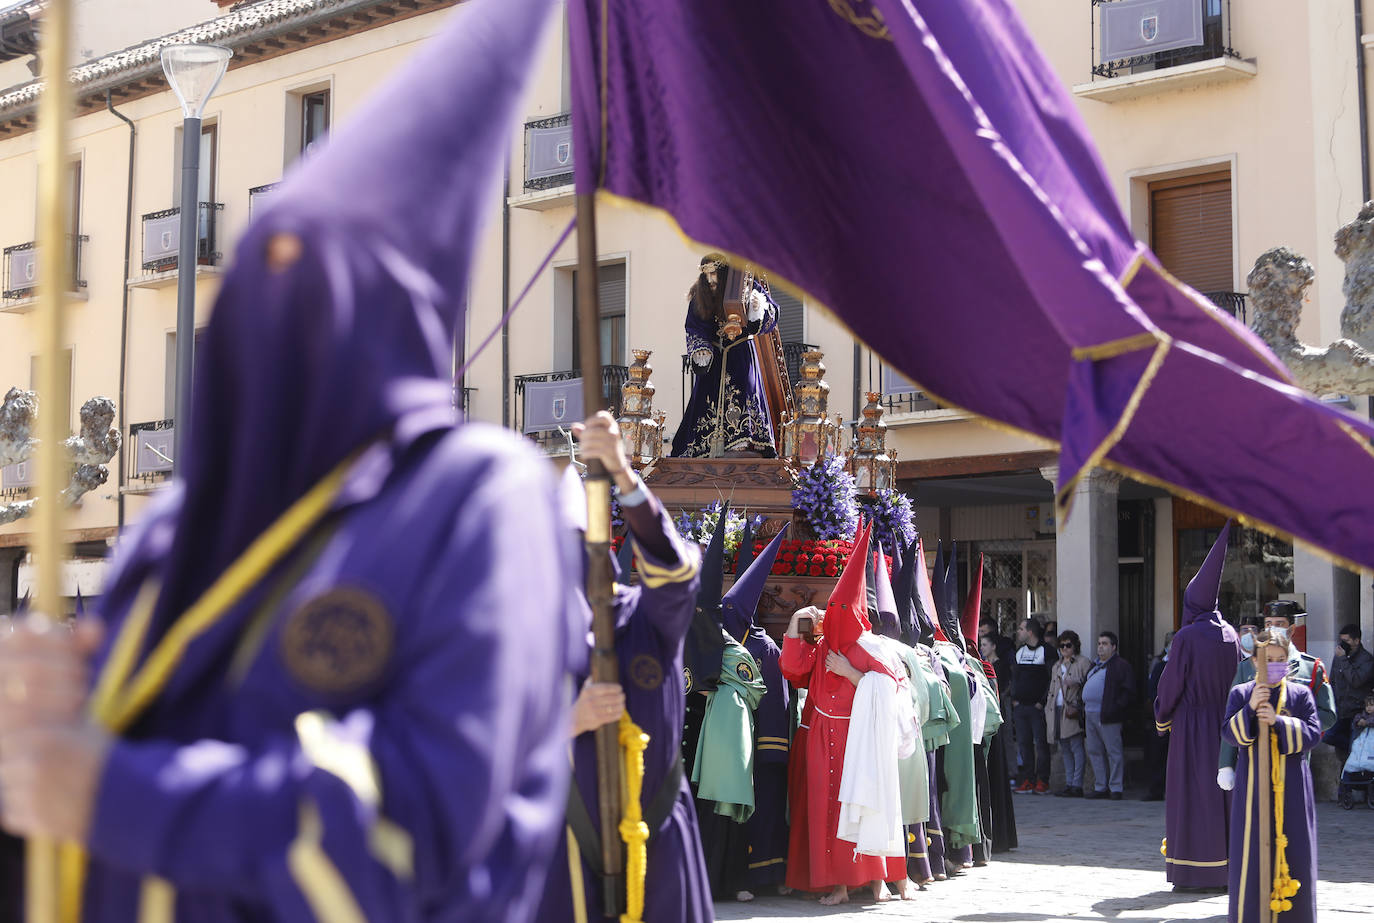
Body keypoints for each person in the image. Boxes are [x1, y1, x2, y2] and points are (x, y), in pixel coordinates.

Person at [0, 3, 578, 920]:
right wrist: (25, 731)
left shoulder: (478, 498)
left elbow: (410, 826)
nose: (271, 318)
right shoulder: (166, 537)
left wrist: (118, 797)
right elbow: (60, 809)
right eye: (257, 277)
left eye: (314, 279)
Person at [540, 412, 712, 923]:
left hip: (656, 844)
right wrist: (568, 720)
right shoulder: (531, 636)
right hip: (563, 853)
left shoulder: (647, 617)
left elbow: (676, 570)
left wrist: (622, 474)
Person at [780, 524, 911, 906]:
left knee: (866, 804)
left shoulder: (870, 648)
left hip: (860, 742)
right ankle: (836, 883)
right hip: (821, 737)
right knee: (827, 810)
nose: (831, 616)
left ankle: (876, 879)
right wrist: (793, 625)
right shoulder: (823, 648)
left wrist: (852, 673)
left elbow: (894, 690)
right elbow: (794, 670)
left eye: (838, 610)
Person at [1152, 524, 1243, 892]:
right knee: (1222, 795)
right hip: (1225, 724)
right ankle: (1225, 869)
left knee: (1192, 795)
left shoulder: (1187, 636)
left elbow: (1171, 683)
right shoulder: (1232, 634)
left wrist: (1162, 716)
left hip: (1191, 726)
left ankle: (1194, 871)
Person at [1221, 631, 1321, 923]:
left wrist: (1278, 722)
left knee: (1295, 852)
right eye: (1268, 660)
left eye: (1281, 660)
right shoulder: (1241, 693)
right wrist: (1251, 708)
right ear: (1254, 661)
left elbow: (1313, 733)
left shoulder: (1300, 694)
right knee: (1250, 855)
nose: (1275, 666)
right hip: (1252, 785)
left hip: (1291, 784)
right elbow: (1229, 734)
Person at [719, 526, 792, 899]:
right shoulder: (722, 643)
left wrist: (771, 750)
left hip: (761, 751)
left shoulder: (766, 650)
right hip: (731, 749)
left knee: (765, 813)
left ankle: (767, 874)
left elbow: (777, 702)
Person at [670, 254, 779, 458]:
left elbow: (771, 314)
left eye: (714, 274)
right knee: (705, 401)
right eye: (706, 275)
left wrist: (757, 308)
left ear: (723, 273)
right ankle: (705, 446)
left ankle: (745, 440)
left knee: (745, 391)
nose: (710, 280)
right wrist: (700, 349)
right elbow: (694, 327)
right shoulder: (699, 299)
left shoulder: (745, 287)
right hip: (713, 360)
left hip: (740, 354)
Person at [1218, 600, 1337, 782]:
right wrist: (1226, 765)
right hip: (1254, 754)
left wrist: (1294, 726)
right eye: (1268, 624)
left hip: (1293, 753)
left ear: (1291, 629)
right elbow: (1233, 715)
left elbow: (1328, 715)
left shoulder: (1311, 667)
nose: (1273, 628)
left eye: (1279, 624)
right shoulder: (1247, 667)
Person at [1083, 631, 1135, 799]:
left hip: (1108, 715)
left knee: (1113, 752)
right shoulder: (1095, 665)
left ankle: (1115, 788)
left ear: (1113, 647)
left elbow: (1127, 692)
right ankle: (1100, 786)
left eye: (1105, 644)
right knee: (1094, 750)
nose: (1100, 647)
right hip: (1089, 713)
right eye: (1099, 643)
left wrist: (1116, 708)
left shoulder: (1121, 665)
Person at [1046, 630, 1090, 798]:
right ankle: (1069, 782)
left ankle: (1077, 784)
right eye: (1062, 645)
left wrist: (1077, 682)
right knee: (1064, 748)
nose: (1065, 648)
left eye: (1068, 645)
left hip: (1072, 710)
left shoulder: (1083, 662)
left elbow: (1089, 682)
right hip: (1056, 710)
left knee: (1077, 748)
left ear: (1075, 646)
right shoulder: (1056, 665)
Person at [1010, 617, 1051, 793]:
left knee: (1041, 745)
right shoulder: (1019, 652)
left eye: (1021, 629)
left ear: (1030, 632)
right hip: (1021, 708)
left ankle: (1043, 780)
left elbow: (1051, 679)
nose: (1018, 632)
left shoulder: (1047, 651)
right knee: (1024, 744)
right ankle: (1028, 780)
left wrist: (1042, 702)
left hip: (1037, 708)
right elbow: (1015, 678)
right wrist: (1014, 699)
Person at [1328, 622, 1374, 757]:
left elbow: (1356, 681)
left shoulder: (1367, 660)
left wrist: (1343, 659)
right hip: (1340, 711)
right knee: (1332, 741)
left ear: (1356, 641)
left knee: (1354, 750)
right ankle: (1341, 775)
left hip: (1357, 712)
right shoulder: (1339, 657)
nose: (1343, 644)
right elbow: (1333, 680)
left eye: (1346, 641)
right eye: (1341, 640)